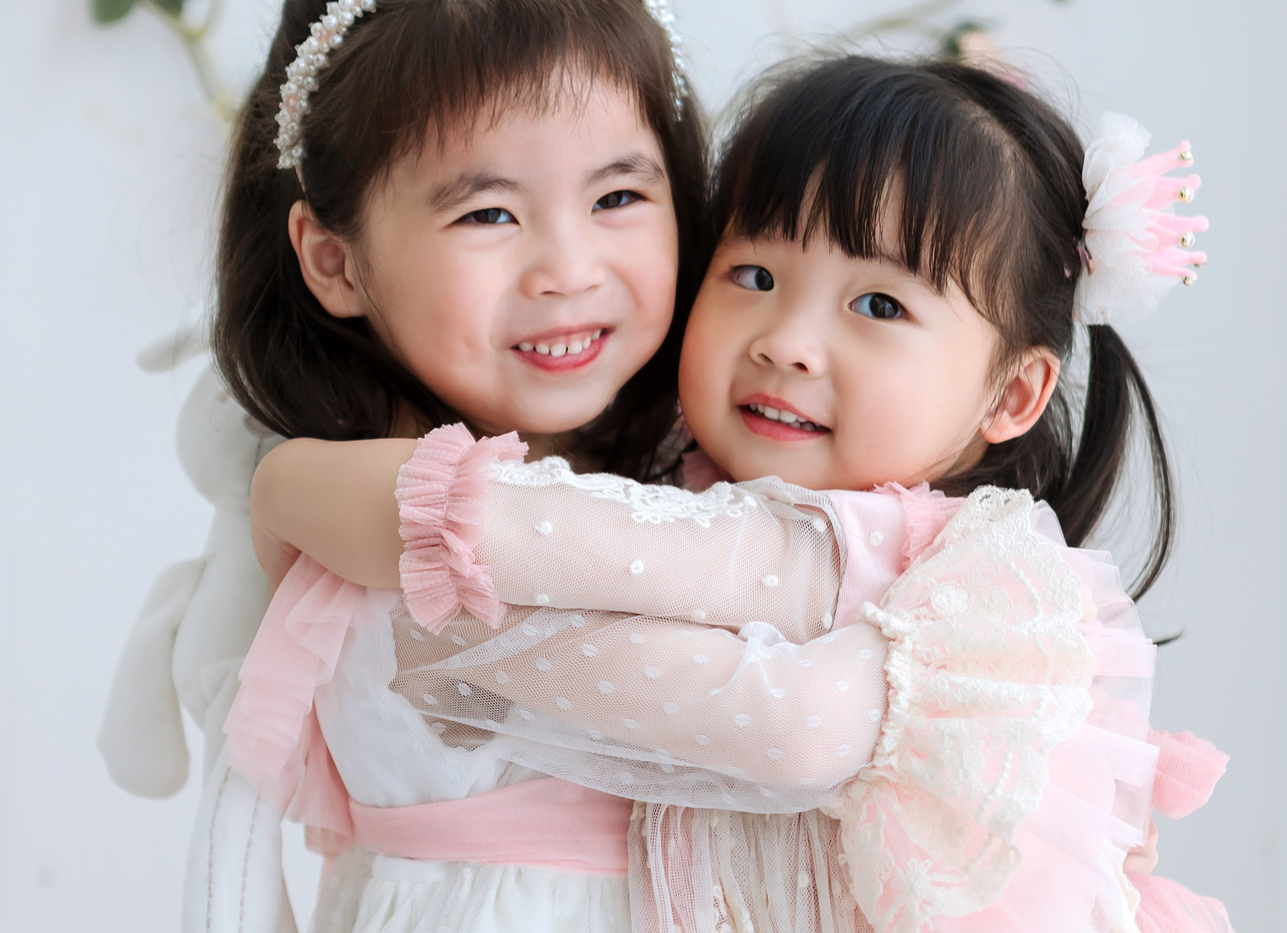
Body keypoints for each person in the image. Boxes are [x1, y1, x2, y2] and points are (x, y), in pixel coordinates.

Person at [241, 53, 1231, 933]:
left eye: (878, 304)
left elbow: (785, 720)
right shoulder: (673, 473)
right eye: (753, 274)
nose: (785, 342)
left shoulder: (911, 565)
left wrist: (292, 489)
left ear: (1010, 395)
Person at [179, 1, 710, 930]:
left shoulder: (711, 456)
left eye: (616, 198)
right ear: (335, 261)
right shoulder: (332, 490)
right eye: (488, 212)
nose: (569, 268)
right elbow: (237, 823)